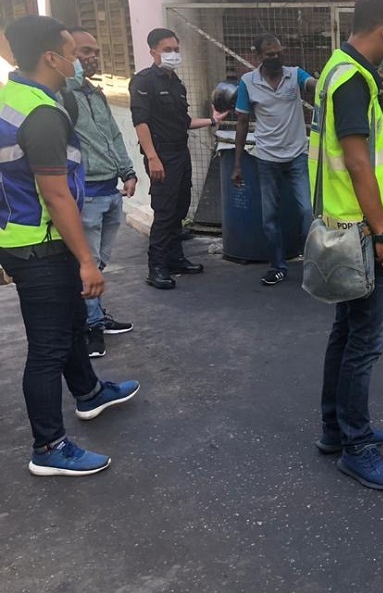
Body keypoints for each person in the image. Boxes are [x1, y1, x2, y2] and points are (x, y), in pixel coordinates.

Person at [0, 15, 139, 476]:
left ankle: (90, 393)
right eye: (70, 50)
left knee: (73, 320)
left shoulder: (15, 97)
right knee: (48, 347)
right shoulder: (40, 114)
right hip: (40, 244)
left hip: (25, 238)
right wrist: (87, 261)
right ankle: (49, 447)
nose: (78, 60)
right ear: (51, 58)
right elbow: (55, 194)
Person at [311, 0, 383, 491]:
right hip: (361, 232)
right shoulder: (354, 79)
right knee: (363, 344)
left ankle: (337, 428)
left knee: (345, 333)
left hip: (342, 226)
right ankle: (355, 445)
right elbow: (356, 162)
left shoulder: (335, 68)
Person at [129, 27, 228, 290]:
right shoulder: (144, 82)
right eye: (167, 50)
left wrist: (212, 120)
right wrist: (152, 157)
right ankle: (157, 267)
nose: (173, 54)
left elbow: (183, 122)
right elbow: (141, 122)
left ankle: (175, 258)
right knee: (164, 212)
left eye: (176, 49)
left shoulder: (176, 83)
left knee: (180, 208)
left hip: (180, 153)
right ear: (153, 52)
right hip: (161, 155)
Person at [65, 27, 136, 359]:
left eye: (95, 52)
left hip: (110, 191)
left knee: (99, 262)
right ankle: (91, 326)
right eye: (85, 52)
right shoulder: (62, 97)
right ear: (67, 56)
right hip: (87, 193)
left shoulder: (96, 94)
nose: (92, 57)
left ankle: (94, 314)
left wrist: (128, 171)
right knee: (89, 263)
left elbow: (113, 136)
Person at [231, 33, 317, 286]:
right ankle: (278, 266)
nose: (276, 58)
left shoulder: (294, 75)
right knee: (269, 216)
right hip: (266, 158)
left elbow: (312, 84)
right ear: (258, 56)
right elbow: (242, 123)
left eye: (279, 53)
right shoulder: (248, 82)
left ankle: (312, 264)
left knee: (307, 212)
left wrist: (325, 82)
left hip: (297, 155)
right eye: (270, 54)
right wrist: (237, 164)